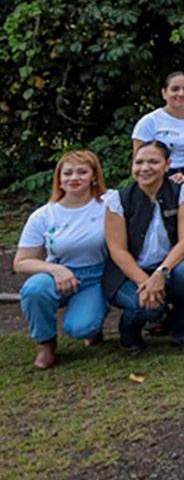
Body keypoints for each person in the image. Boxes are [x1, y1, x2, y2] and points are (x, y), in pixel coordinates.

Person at [15, 151, 112, 370]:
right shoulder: (44, 215)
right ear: (59, 178)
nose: (74, 178)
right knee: (34, 289)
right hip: (58, 275)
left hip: (97, 277)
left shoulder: (108, 204)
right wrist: (56, 270)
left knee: (80, 328)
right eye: (67, 173)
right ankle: (46, 344)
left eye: (82, 172)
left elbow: (143, 187)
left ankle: (92, 325)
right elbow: (21, 262)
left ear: (94, 176)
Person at [104, 141, 184, 353]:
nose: (145, 168)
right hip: (129, 274)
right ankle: (129, 332)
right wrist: (145, 282)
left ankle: (183, 330)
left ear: (167, 165)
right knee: (150, 308)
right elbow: (117, 250)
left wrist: (160, 274)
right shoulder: (118, 199)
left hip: (168, 267)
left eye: (153, 162)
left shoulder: (182, 193)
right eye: (139, 162)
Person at [131, 70, 184, 176]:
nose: (181, 93)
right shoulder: (149, 122)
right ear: (164, 93)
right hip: (159, 175)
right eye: (175, 89)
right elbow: (138, 164)